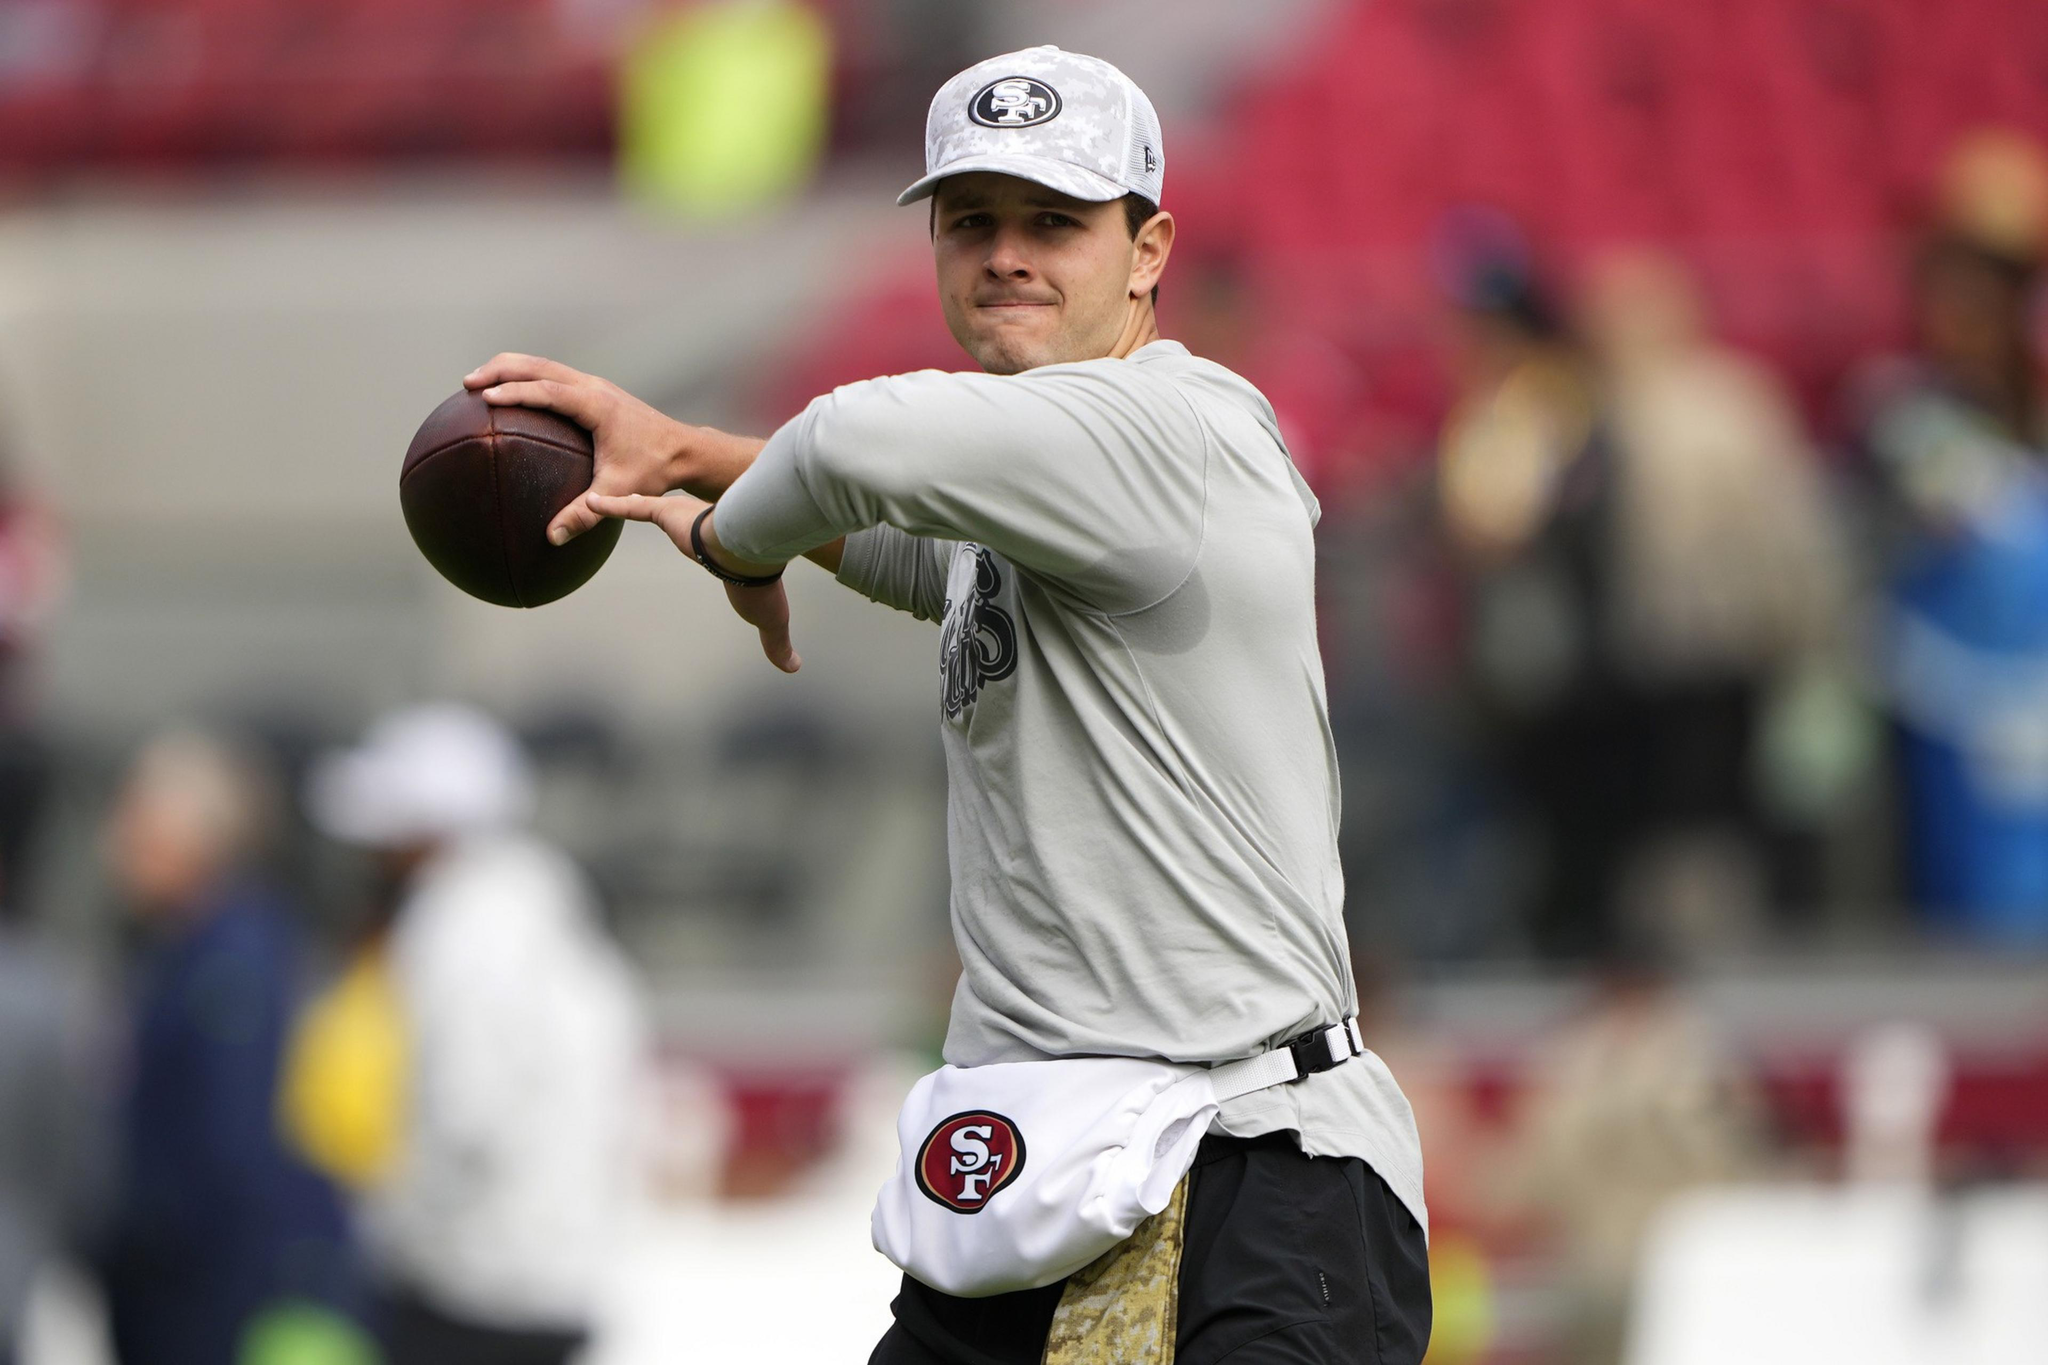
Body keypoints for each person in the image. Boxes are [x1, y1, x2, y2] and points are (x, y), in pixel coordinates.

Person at [465, 45, 1430, 1364]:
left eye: (1055, 221)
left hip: (1253, 1166)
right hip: (1046, 1166)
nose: (1007, 254)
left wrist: (746, 541)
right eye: (972, 222)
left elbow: (852, 450)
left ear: (1148, 251)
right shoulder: (1040, 479)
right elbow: (905, 539)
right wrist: (693, 457)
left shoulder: (1171, 429)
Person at [306, 703, 648, 1365]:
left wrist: (393, 1230)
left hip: (475, 1291)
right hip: (547, 1279)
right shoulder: (542, 909)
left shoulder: (464, 927)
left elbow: (465, 1115)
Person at [96, 730, 368, 1365]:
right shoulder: (189, 942)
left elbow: (232, 1147)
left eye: (135, 820)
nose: (115, 843)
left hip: (206, 1296)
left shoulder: (233, 956)